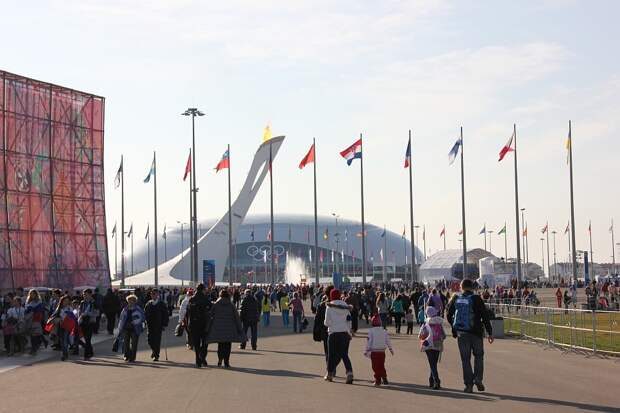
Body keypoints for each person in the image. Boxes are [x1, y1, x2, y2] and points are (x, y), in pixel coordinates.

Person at [447, 279, 494, 393]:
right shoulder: (477, 298)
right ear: (472, 287)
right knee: (478, 356)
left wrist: (455, 328)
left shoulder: (456, 299)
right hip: (476, 333)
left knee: (465, 359)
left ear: (461, 287)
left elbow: (449, 315)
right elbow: (485, 316)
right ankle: (478, 378)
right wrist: (490, 332)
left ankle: (468, 385)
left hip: (462, 334)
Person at [206, 289, 245, 368]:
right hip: (229, 328)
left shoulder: (216, 304)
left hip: (218, 328)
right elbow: (237, 317)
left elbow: (210, 316)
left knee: (220, 345)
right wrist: (240, 328)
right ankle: (226, 362)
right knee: (227, 345)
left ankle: (220, 359)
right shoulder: (231, 305)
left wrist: (208, 327)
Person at [324, 289, 354, 384]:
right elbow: (349, 320)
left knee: (331, 355)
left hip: (333, 333)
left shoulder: (329, 306)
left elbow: (327, 322)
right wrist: (349, 331)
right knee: (344, 354)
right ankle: (349, 373)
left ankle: (329, 374)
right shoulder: (345, 306)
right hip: (344, 333)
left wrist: (332, 324)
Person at [419, 306, 446, 390]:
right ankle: (431, 380)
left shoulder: (425, 323)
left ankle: (436, 381)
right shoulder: (439, 323)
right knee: (433, 363)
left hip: (428, 344)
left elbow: (420, 335)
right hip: (437, 344)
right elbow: (444, 335)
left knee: (432, 364)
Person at [187, 283, 212, 368]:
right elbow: (210, 309)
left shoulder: (191, 299)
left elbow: (188, 313)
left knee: (196, 343)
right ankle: (203, 358)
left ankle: (198, 359)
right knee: (205, 343)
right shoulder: (206, 299)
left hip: (194, 324)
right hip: (204, 324)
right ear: (203, 289)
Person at [364, 314, 394, 386]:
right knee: (381, 365)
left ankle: (378, 380)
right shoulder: (384, 331)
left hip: (374, 352)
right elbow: (388, 341)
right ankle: (384, 378)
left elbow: (369, 341)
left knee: (375, 366)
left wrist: (366, 350)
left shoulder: (371, 331)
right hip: (382, 352)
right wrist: (390, 349)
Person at [117, 295, 145, 362]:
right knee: (126, 343)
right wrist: (120, 328)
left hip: (135, 328)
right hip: (126, 328)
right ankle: (126, 356)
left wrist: (135, 321)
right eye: (129, 301)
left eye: (132, 301)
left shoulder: (138, 309)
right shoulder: (125, 309)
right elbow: (121, 319)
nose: (130, 302)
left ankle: (132, 357)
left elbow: (142, 318)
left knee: (134, 344)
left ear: (135, 301)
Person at [144, 290, 169, 361]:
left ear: (157, 294)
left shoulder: (161, 304)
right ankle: (154, 351)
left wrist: (164, 324)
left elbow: (165, 314)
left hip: (158, 325)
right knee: (150, 340)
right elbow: (145, 313)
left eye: (154, 294)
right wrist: (144, 321)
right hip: (150, 325)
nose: (153, 295)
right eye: (151, 294)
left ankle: (156, 355)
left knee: (157, 340)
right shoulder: (148, 304)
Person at [313, 286, 333, 366]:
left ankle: (330, 368)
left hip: (325, 331)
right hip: (337, 331)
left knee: (327, 351)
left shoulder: (321, 306)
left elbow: (316, 320)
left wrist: (316, 332)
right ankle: (332, 367)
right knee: (336, 352)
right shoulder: (340, 305)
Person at [78, 289, 100, 360]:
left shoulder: (94, 303)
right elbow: (80, 311)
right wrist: (80, 317)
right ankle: (90, 351)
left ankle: (86, 355)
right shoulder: (82, 303)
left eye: (86, 294)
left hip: (91, 322)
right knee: (86, 339)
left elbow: (97, 313)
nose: (84, 296)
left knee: (88, 338)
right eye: (84, 294)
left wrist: (88, 314)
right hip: (83, 322)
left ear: (90, 295)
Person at [24, 289, 47, 355]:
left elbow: (40, 310)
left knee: (34, 335)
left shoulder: (39, 302)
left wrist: (33, 309)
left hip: (36, 320)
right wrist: (28, 310)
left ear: (36, 295)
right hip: (29, 319)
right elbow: (26, 310)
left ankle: (34, 349)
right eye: (31, 294)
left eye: (33, 294)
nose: (32, 295)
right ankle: (36, 346)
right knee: (32, 335)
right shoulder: (28, 302)